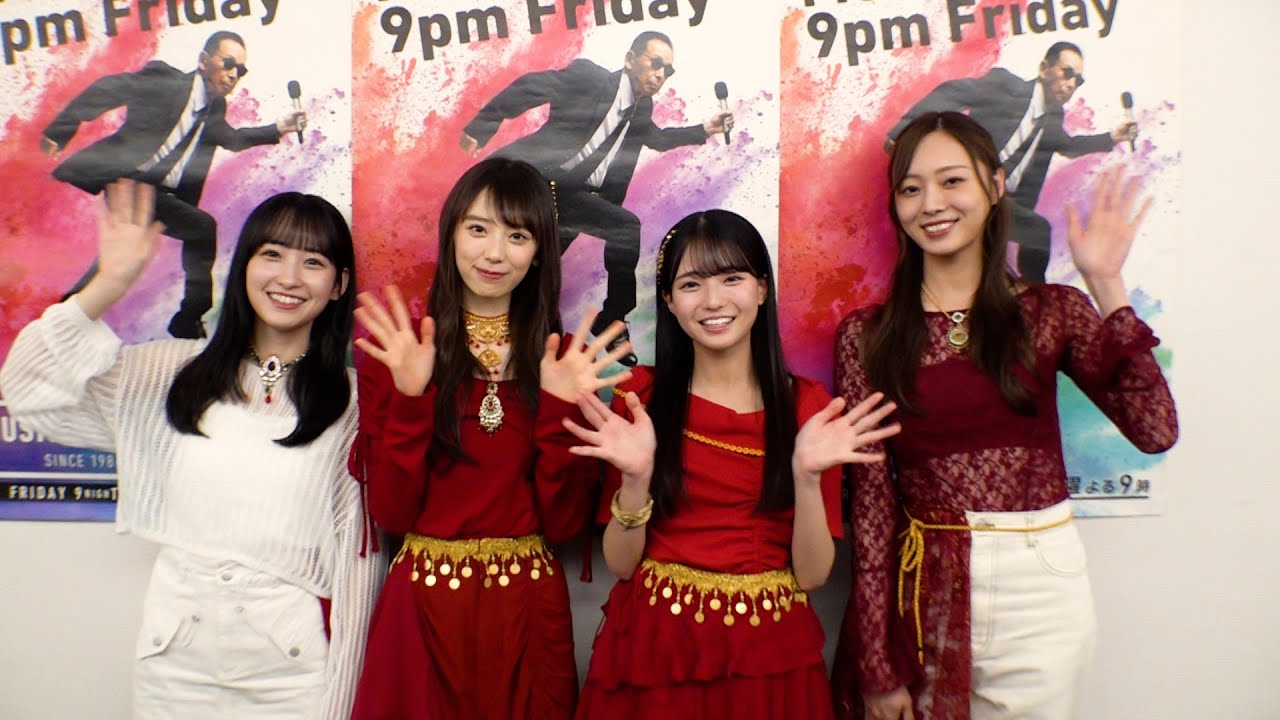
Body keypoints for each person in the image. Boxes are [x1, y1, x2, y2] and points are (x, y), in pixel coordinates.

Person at [831, 112, 1178, 719]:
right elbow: (872, 506)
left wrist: (1106, 283)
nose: (931, 204)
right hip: (925, 584)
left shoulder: (1053, 311)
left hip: (1041, 589)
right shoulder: (867, 335)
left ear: (994, 186)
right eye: (911, 188)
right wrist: (878, 666)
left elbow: (1155, 431)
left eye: (951, 181)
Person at [0, 179, 381, 719]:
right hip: (174, 661)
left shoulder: (355, 403)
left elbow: (359, 567)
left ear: (339, 285)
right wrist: (109, 283)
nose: (289, 278)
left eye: (313, 262)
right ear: (244, 265)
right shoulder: (169, 370)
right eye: (272, 254)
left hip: (288, 671)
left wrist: (342, 703)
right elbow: (28, 391)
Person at [566, 209, 900, 719]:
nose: (713, 301)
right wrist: (636, 479)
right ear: (669, 301)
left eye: (731, 278)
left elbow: (812, 574)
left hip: (769, 656)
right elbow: (621, 563)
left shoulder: (808, 408)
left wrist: (807, 476)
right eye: (691, 284)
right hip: (657, 648)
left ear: (762, 288)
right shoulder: (641, 398)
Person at [348, 157, 633, 719]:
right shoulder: (403, 352)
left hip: (526, 613)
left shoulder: (564, 361)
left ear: (540, 250)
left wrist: (557, 405)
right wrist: (411, 398)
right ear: (451, 233)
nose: (495, 253)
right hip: (423, 607)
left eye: (517, 235)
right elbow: (393, 514)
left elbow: (564, 526)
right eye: (478, 229)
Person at [460, 30, 734, 366]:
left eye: (668, 70)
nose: (660, 74)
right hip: (533, 182)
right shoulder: (588, 78)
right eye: (655, 63)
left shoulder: (641, 107)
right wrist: (481, 127)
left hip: (574, 196)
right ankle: (488, 336)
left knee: (622, 228)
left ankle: (612, 318)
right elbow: (530, 87)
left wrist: (705, 129)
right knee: (528, 267)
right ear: (630, 60)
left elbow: (657, 138)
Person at [42, 30, 308, 339]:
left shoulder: (215, 108)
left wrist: (280, 127)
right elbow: (107, 89)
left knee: (121, 257)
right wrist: (60, 131)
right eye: (228, 63)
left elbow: (232, 139)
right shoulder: (165, 82)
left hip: (161, 194)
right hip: (128, 181)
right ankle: (188, 318)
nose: (233, 74)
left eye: (241, 69)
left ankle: (62, 316)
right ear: (204, 61)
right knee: (201, 228)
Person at [886, 42, 1138, 283]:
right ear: (1044, 69)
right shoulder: (1005, 86)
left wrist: (1113, 137)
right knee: (1025, 237)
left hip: (1004, 202)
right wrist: (900, 132)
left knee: (1033, 236)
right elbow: (954, 91)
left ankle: (1036, 295)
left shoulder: (1053, 116)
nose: (1071, 84)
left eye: (1078, 80)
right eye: (1067, 73)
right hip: (969, 190)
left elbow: (1068, 146)